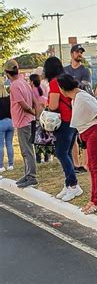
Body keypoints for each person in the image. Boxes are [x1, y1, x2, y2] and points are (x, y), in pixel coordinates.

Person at [57, 74, 97, 214]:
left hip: (96, 132)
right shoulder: (76, 98)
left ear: (62, 88)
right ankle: (94, 199)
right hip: (90, 133)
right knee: (91, 166)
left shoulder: (81, 97)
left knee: (96, 167)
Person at [44, 56, 83, 202]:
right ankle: (68, 184)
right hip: (73, 120)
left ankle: (73, 185)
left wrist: (47, 105)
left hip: (63, 121)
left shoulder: (55, 82)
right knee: (66, 152)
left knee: (61, 153)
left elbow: (53, 106)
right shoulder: (66, 77)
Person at [3, 60, 37, 188]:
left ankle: (31, 176)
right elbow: (34, 100)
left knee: (26, 150)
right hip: (27, 120)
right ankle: (28, 174)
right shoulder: (24, 82)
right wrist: (34, 112)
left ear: (7, 73)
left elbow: (23, 104)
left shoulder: (14, 86)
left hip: (23, 121)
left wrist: (30, 111)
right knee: (26, 150)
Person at [64, 44, 91, 173]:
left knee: (84, 135)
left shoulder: (85, 71)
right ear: (72, 54)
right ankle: (76, 164)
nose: (80, 54)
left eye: (81, 52)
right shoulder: (65, 70)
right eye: (77, 52)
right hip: (68, 107)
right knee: (72, 136)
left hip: (81, 105)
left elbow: (84, 87)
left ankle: (86, 163)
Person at [29, 74, 53, 164]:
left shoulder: (31, 92)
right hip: (44, 117)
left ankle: (38, 159)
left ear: (32, 82)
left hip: (36, 117)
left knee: (36, 139)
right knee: (45, 137)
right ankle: (47, 157)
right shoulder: (42, 91)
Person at [0, 77, 14, 173]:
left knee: (0, 145)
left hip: (1, 123)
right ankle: (11, 164)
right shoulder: (9, 98)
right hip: (11, 122)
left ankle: (1, 166)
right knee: (9, 143)